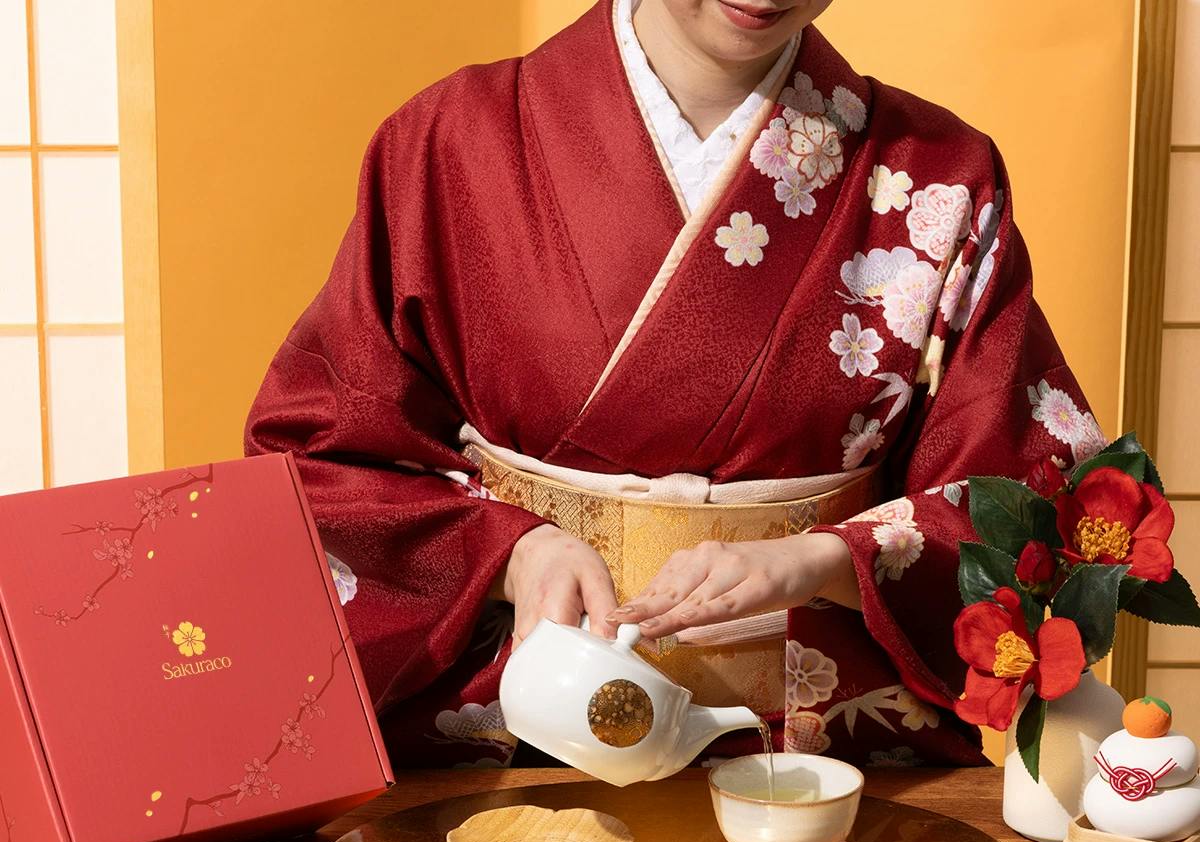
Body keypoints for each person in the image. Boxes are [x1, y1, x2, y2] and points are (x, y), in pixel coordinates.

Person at [246, 0, 1105, 770]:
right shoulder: (447, 141)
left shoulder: (939, 175)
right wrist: (515, 552)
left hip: (820, 741)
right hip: (519, 715)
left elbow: (1026, 498)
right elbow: (322, 452)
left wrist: (822, 558)